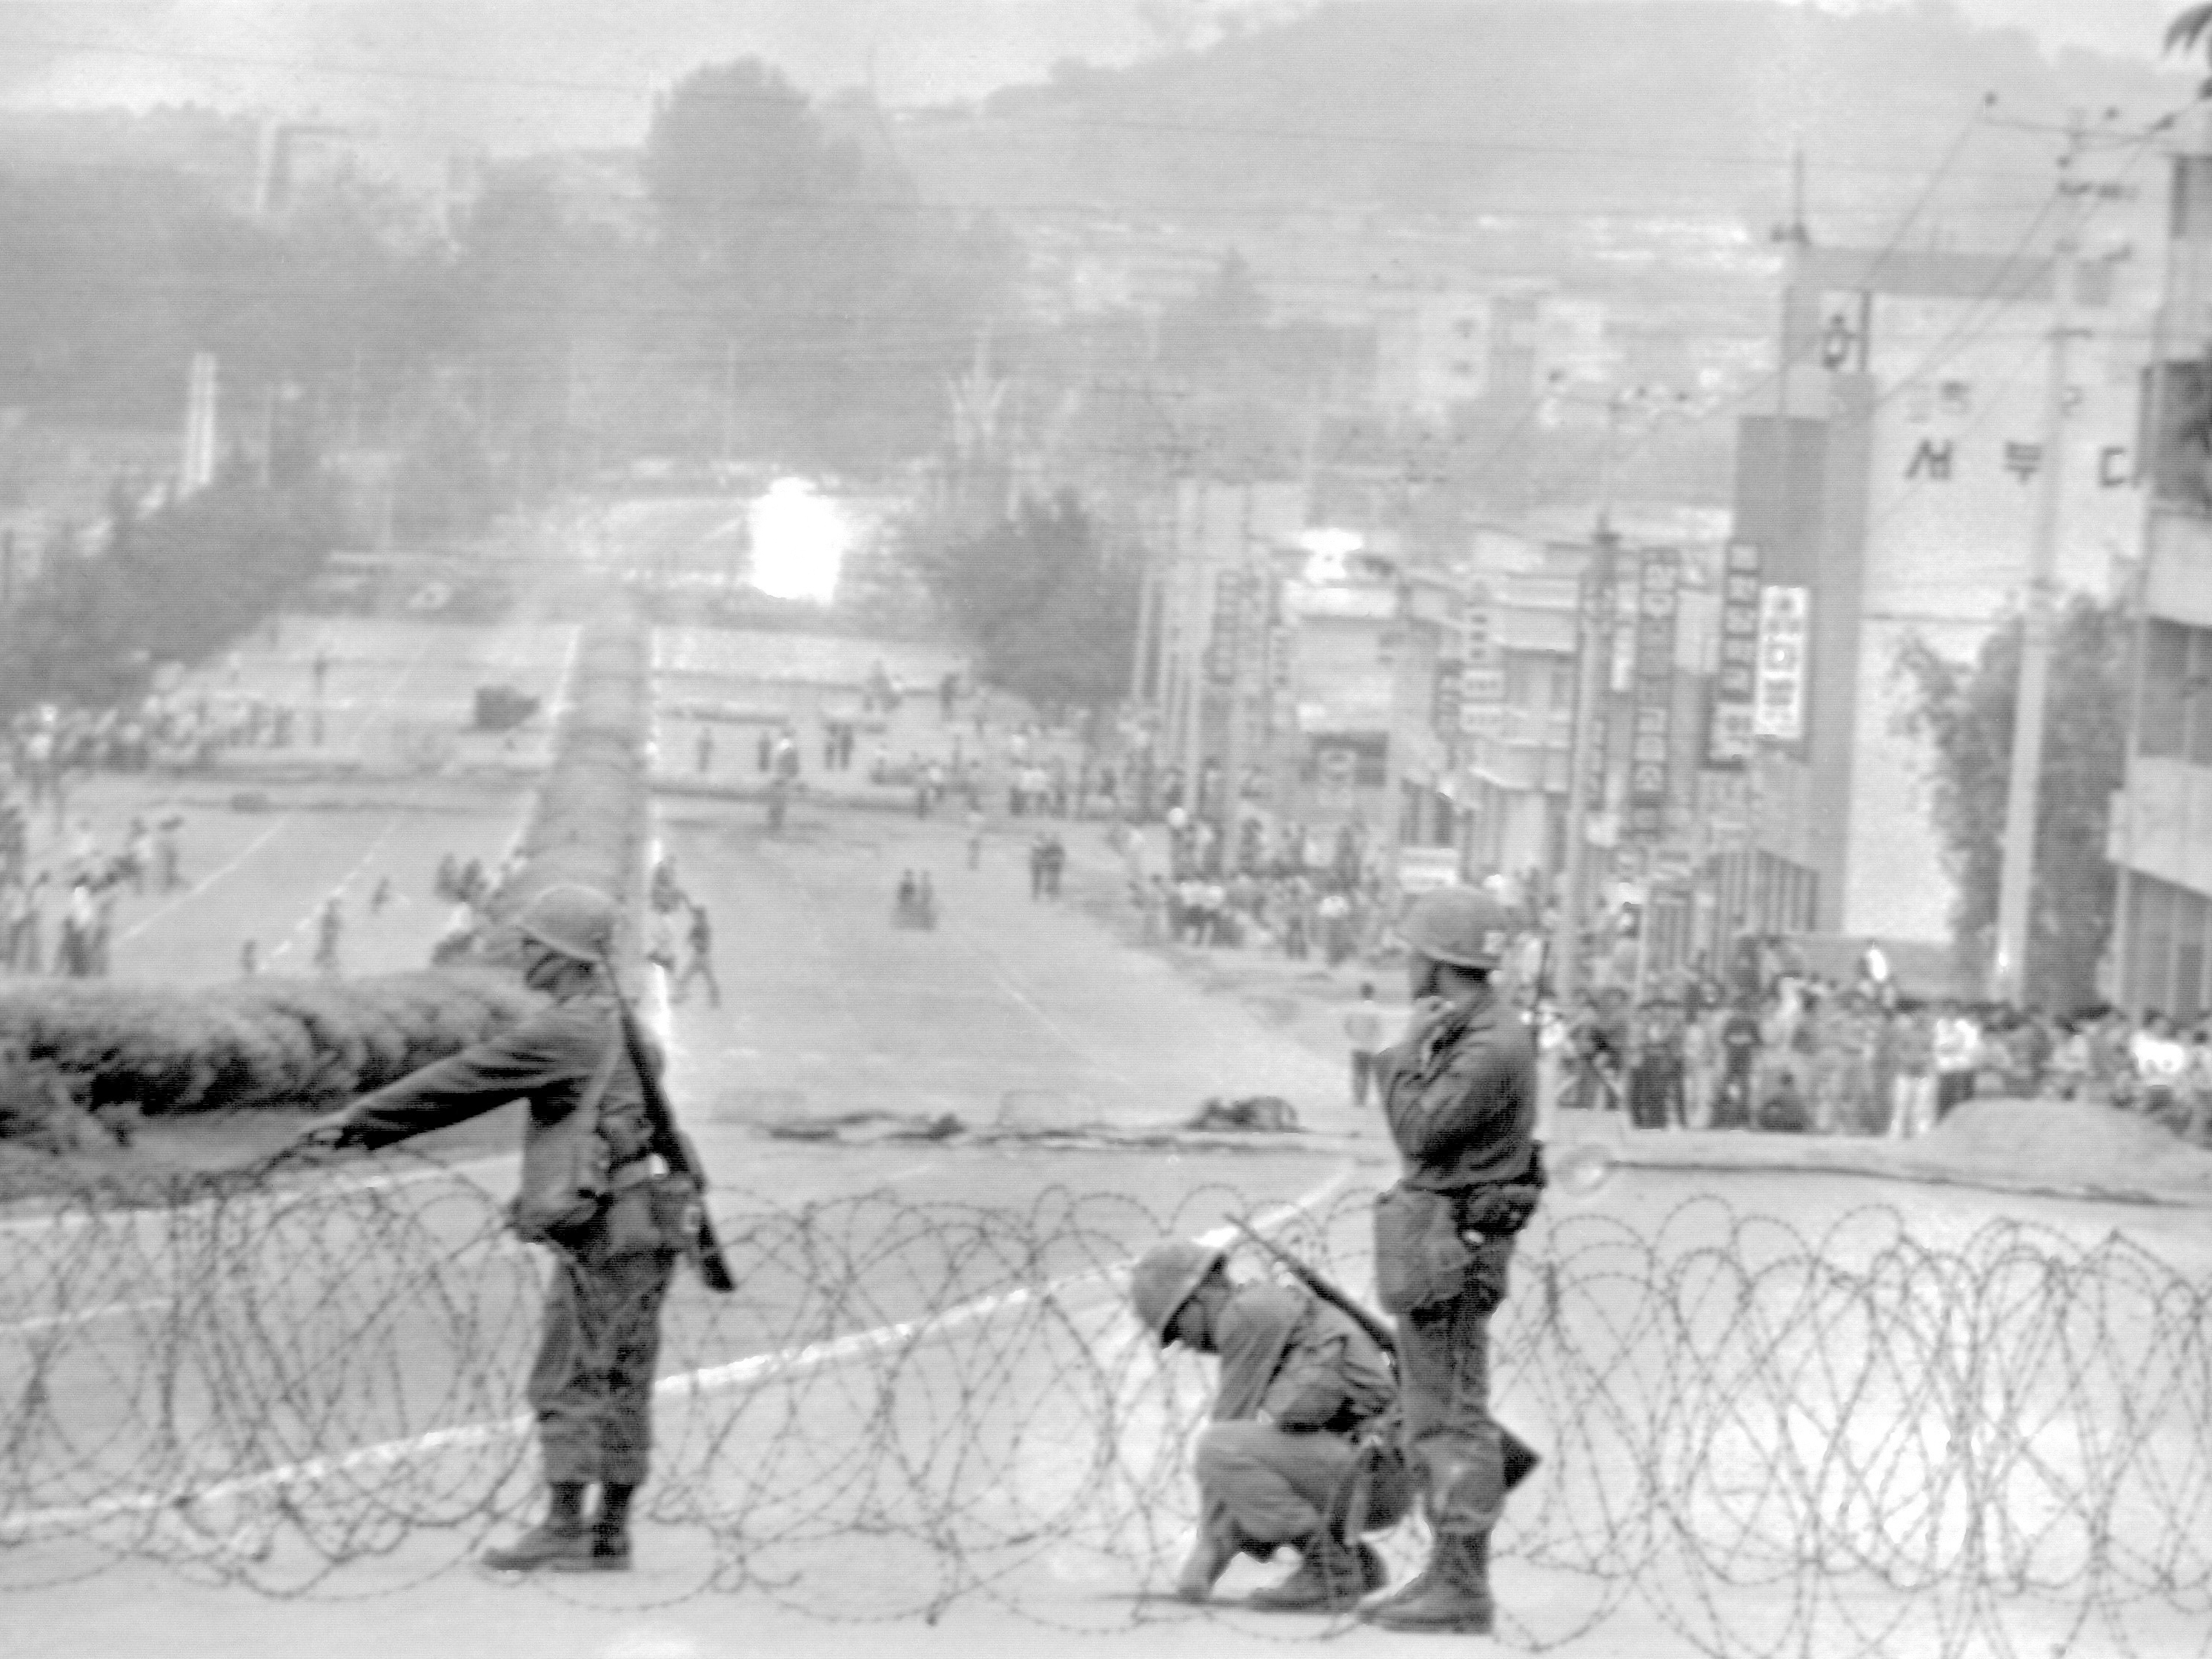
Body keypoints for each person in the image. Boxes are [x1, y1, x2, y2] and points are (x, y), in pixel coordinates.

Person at [293, 885, 693, 1573]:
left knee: (568, 1372)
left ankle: (566, 1526)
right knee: (624, 1372)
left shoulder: (569, 1029)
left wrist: (357, 1123)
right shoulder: (629, 1026)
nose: (524, 955)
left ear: (566, 955)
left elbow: (463, 1080)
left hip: (603, 1223)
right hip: (649, 1218)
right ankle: (611, 1531)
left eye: (535, 945)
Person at [1363, 886, 1544, 1633]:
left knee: (1455, 1417)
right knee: (1433, 1413)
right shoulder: (1470, 1030)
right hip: (1437, 1241)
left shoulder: (1490, 1044)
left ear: (1438, 962)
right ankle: (1446, 1568)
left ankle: (1464, 1583)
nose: (1407, 962)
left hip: (1452, 1247)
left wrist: (1405, 1052)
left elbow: (1419, 1131)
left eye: (1414, 951)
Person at [1129, 1240, 1406, 1612]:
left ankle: (1331, 1567)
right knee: (1250, 1474)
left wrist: (1206, 1557)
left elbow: (1229, 1431)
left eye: (1177, 1330)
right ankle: (1347, 1562)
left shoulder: (1245, 1314)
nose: (1186, 1345)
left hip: (1374, 1476)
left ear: (1196, 1299)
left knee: (1220, 1450)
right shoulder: (1267, 1305)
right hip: (1379, 1474)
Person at [1344, 983, 1385, 1108]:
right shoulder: (1374, 1009)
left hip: (1355, 1046)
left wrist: (1354, 1036)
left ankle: (1357, 1099)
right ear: (1372, 993)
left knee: (1357, 1073)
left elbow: (1347, 1026)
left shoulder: (1354, 1008)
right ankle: (1362, 1099)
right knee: (1366, 1074)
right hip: (1369, 1047)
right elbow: (1378, 1029)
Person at [674, 903, 720, 1009]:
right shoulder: (696, 927)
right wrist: (688, 942)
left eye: (697, 916)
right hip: (697, 957)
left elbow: (706, 944)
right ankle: (680, 996)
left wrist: (695, 941)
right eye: (696, 916)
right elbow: (688, 938)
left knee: (709, 979)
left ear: (701, 916)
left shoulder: (705, 928)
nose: (696, 918)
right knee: (685, 977)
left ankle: (715, 1000)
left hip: (703, 957)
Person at [314, 896, 343, 976]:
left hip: (331, 935)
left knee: (328, 949)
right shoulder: (328, 916)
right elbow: (326, 926)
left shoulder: (332, 915)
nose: (335, 908)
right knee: (328, 949)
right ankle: (327, 964)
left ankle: (327, 963)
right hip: (329, 936)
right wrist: (329, 932)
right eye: (333, 906)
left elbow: (338, 925)